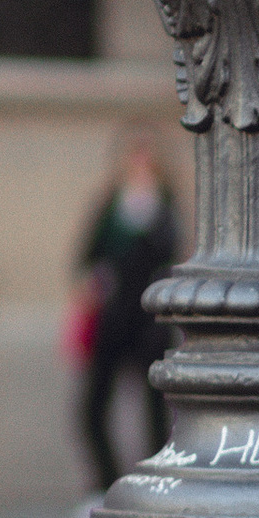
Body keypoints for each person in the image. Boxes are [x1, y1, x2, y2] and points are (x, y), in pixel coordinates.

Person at [71, 140, 181, 488]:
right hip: (112, 320)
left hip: (150, 323)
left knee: (155, 412)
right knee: (92, 410)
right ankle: (106, 484)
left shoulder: (165, 207)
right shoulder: (112, 207)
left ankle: (158, 484)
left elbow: (169, 259)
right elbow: (86, 258)